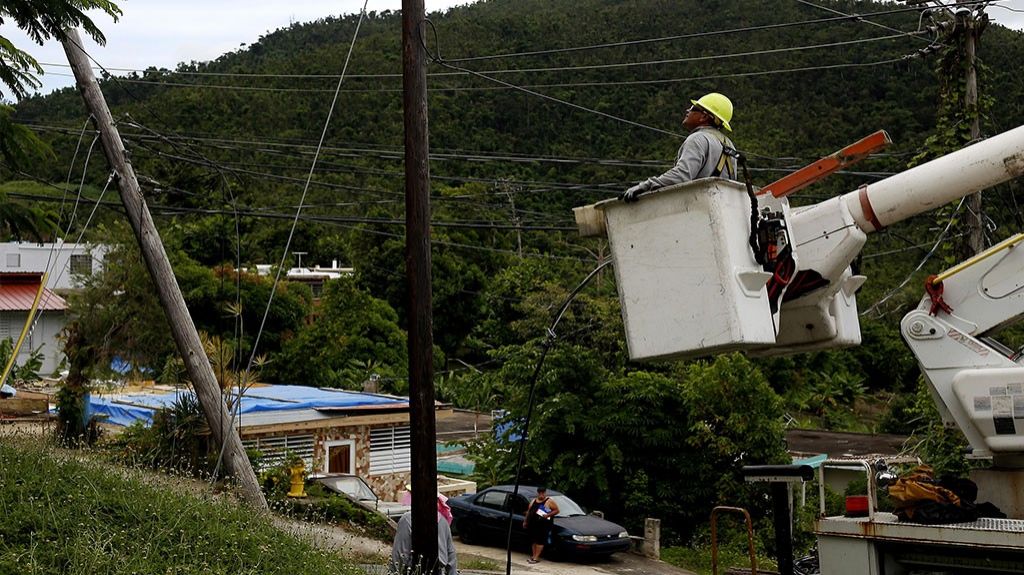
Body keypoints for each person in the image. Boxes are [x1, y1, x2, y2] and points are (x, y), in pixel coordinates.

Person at [622, 92, 737, 202]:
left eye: (693, 108)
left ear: (704, 117)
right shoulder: (729, 144)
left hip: (697, 208)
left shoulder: (697, 139)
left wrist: (646, 185)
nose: (688, 110)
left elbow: (682, 175)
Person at [390, 493, 458, 575]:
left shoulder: (408, 519)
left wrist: (394, 572)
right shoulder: (442, 520)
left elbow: (400, 553)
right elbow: (450, 554)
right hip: (434, 570)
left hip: (415, 570)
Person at [523, 486, 560, 564]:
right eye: (540, 493)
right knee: (533, 540)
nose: (541, 495)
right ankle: (533, 556)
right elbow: (529, 512)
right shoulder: (533, 501)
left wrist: (548, 515)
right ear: (538, 493)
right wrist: (525, 521)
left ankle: (536, 557)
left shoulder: (549, 501)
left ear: (545, 493)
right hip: (533, 524)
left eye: (543, 493)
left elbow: (556, 510)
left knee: (540, 541)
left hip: (543, 525)